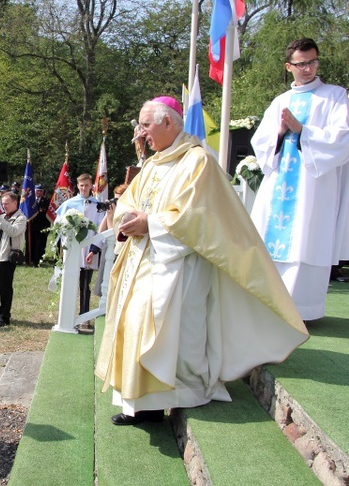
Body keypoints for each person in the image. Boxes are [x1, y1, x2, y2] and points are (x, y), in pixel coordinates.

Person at [95, 96, 309, 426]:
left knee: (171, 334)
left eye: (146, 125)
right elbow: (128, 201)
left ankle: (176, 396)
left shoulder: (198, 162)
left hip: (179, 265)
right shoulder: (152, 163)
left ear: (168, 123)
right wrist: (128, 219)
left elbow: (198, 217)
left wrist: (150, 223)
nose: (142, 133)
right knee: (134, 325)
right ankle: (142, 405)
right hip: (142, 260)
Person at [249, 38, 349, 321]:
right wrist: (280, 132)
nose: (308, 69)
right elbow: (262, 142)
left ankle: (303, 312)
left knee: (307, 240)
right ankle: (269, 307)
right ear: (289, 66)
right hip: (280, 183)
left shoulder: (335, 96)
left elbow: (342, 138)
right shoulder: (281, 101)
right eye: (301, 63)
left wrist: (302, 129)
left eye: (312, 62)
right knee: (270, 242)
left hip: (313, 188)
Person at [55, 173, 104, 324]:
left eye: (87, 185)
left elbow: (101, 228)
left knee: (85, 284)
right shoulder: (69, 204)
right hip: (72, 249)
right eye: (81, 185)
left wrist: (94, 250)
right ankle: (67, 316)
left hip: (89, 248)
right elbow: (58, 224)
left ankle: (84, 317)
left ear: (91, 186)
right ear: (77, 186)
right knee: (70, 281)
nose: (84, 188)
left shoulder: (97, 205)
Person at [0, 191, 27, 328]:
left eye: (7, 203)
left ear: (15, 203)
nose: (4, 206)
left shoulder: (21, 218)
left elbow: (13, 231)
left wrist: (0, 219)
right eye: (3, 204)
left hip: (7, 256)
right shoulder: (2, 217)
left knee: (5, 287)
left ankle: (4, 317)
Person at [29, 184, 50, 265]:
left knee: (40, 244)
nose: (39, 192)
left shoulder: (46, 201)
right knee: (31, 242)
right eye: (37, 190)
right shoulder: (31, 201)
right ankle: (29, 258)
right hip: (31, 226)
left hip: (42, 226)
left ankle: (38, 259)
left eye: (40, 191)